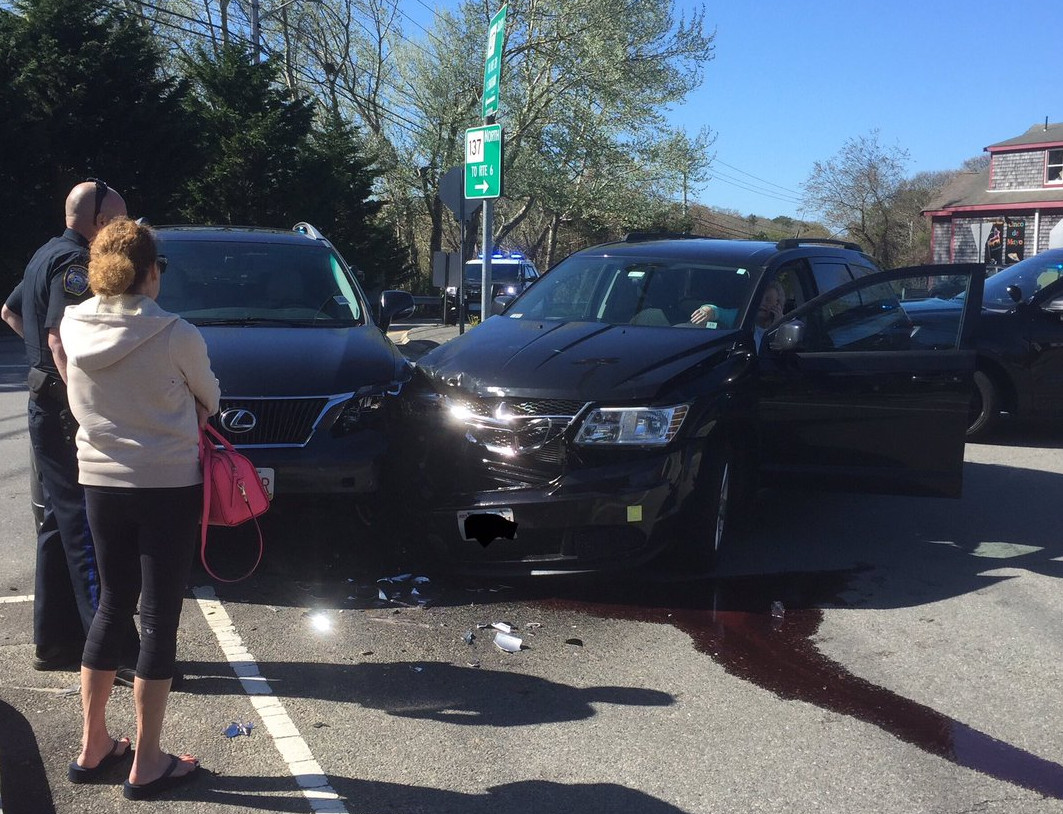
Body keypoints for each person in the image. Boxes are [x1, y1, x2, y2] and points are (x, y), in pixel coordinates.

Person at [60, 217, 219, 799]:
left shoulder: (73, 325)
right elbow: (211, 396)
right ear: (150, 271)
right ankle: (148, 761)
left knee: (111, 607)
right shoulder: (175, 332)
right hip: (166, 484)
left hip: (98, 482)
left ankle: (92, 743)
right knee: (158, 619)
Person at [1, 179, 134, 675]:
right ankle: (116, 651)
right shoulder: (76, 264)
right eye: (119, 220)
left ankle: (54, 641)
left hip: (45, 405)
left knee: (59, 525)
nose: (122, 230)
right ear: (99, 222)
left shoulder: (45, 253)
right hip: (63, 413)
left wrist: (38, 361)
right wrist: (82, 400)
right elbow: (61, 338)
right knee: (85, 527)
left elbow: (11, 311)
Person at [690, 279, 786, 348]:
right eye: (758, 298)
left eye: (768, 300)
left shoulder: (790, 326)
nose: (761, 303)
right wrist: (708, 310)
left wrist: (779, 326)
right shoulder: (743, 317)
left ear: (778, 303)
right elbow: (718, 312)